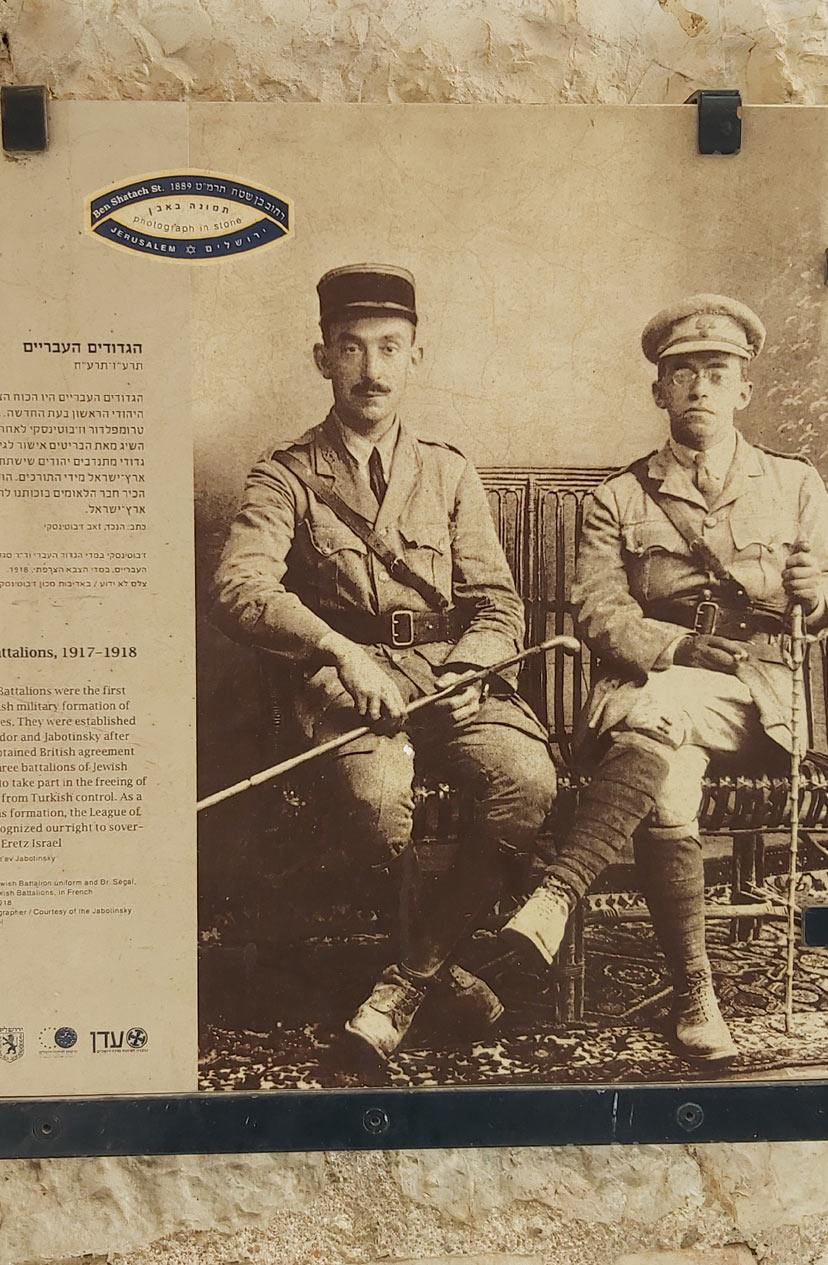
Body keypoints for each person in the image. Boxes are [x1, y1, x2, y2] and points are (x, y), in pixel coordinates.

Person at [211, 264, 557, 1063]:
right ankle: (449, 972)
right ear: (322, 358)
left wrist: (467, 672)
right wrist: (339, 651)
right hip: (346, 683)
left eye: (390, 348)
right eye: (352, 348)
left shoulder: (448, 470)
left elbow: (500, 602)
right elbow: (238, 588)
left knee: (528, 780)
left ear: (415, 358)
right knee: (374, 805)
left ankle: (409, 976)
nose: (372, 369)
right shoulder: (287, 474)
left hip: (452, 676)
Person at [500, 294, 828, 1061]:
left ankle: (558, 891)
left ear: (742, 390)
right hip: (650, 687)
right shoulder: (618, 498)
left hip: (763, 700)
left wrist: (816, 594)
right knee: (669, 779)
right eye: (681, 373)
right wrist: (680, 649)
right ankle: (697, 993)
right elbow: (598, 613)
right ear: (657, 391)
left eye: (716, 372)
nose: (699, 387)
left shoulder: (793, 484)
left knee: (661, 715)